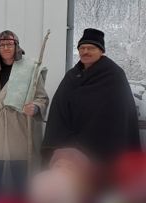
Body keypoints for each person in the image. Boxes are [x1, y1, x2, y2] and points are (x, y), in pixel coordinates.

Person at [42, 28, 141, 166]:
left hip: (104, 146)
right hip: (71, 147)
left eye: (91, 48)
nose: (85, 51)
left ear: (101, 51)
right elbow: (59, 108)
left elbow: (119, 115)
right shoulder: (72, 76)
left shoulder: (114, 75)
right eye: (82, 48)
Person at [0, 30, 49, 197]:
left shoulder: (29, 68)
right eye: (2, 45)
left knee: (19, 170)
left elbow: (41, 98)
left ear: (17, 46)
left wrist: (35, 107)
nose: (6, 48)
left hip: (18, 124)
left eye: (9, 44)